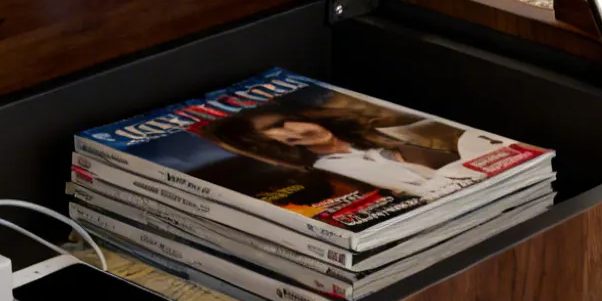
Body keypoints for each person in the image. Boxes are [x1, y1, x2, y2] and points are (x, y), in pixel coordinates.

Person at [202, 99, 504, 200]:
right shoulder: (334, 172)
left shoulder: (381, 134)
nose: (288, 133)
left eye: (284, 122)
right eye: (273, 135)